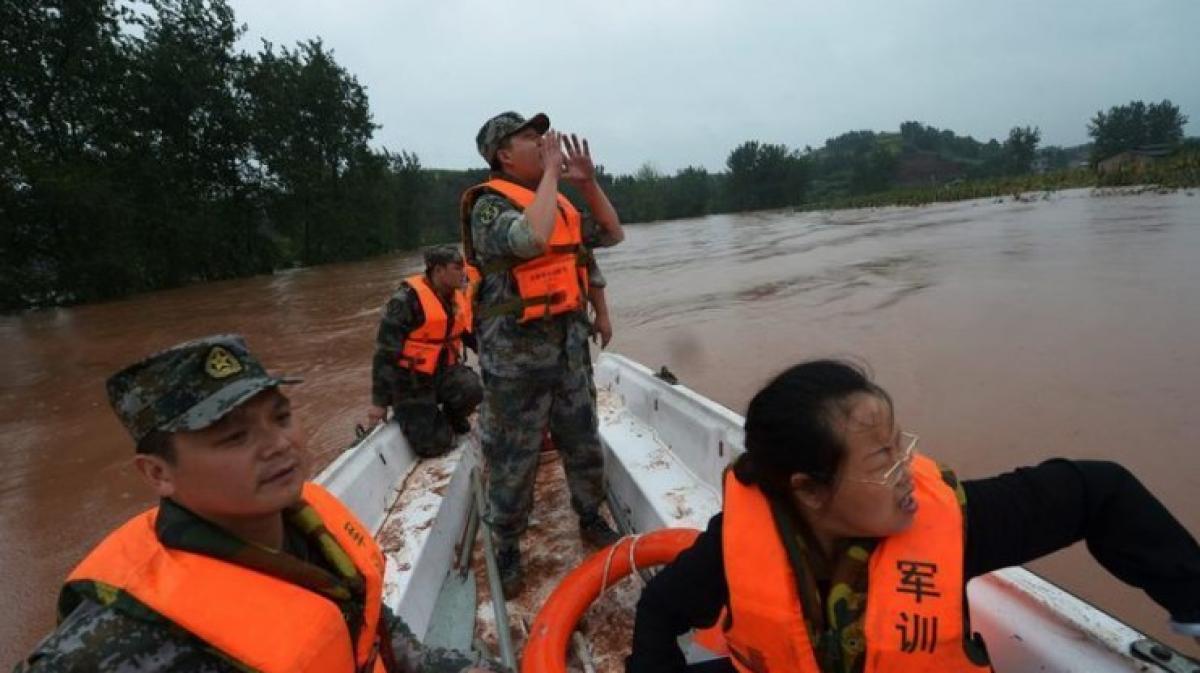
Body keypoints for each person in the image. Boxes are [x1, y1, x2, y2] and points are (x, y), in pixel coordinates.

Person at [626, 359, 1200, 673]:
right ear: (809, 489)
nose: (909, 471)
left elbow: (1099, 491)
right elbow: (660, 609)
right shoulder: (740, 542)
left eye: (902, 445)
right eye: (882, 459)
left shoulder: (953, 523)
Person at [14, 335, 500, 673]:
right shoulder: (111, 641)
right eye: (233, 437)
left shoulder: (308, 526)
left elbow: (371, 630)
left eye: (282, 416)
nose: (278, 445)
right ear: (157, 473)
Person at [459, 111, 625, 598]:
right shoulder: (489, 207)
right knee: (514, 455)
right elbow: (529, 240)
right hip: (516, 364)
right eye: (530, 138)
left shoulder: (559, 206)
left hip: (569, 352)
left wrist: (588, 184)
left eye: (541, 135)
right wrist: (553, 175)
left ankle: (590, 515)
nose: (543, 142)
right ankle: (508, 545)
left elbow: (611, 236)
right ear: (503, 155)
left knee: (581, 437)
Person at [368, 245, 483, 457]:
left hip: (442, 374)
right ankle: (432, 422)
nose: (463, 273)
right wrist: (379, 402)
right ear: (438, 271)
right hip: (411, 384)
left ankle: (450, 416)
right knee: (435, 446)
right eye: (456, 268)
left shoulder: (457, 298)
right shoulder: (405, 301)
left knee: (472, 388)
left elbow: (472, 337)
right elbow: (385, 354)